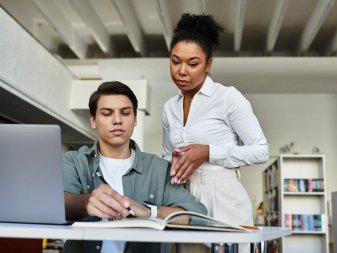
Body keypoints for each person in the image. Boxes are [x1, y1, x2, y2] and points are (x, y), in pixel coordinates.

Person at [162, 13, 269, 252]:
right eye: (175, 61)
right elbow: (166, 158)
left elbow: (261, 151)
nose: (182, 71)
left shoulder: (227, 98)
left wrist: (208, 152)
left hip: (224, 196)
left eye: (193, 64)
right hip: (184, 199)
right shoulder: (169, 108)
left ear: (208, 64)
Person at [62, 81, 207, 253]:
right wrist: (86, 203)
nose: (117, 120)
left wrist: (149, 212)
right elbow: (57, 203)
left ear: (135, 119)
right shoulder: (75, 161)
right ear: (93, 120)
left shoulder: (160, 169)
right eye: (107, 113)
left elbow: (197, 216)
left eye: (125, 113)